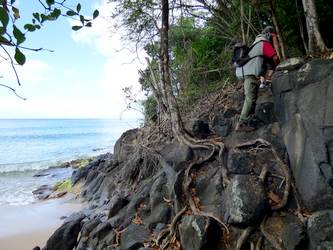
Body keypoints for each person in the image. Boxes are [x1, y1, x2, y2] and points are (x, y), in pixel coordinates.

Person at [235, 26, 280, 132]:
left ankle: (248, 121)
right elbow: (274, 57)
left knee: (253, 97)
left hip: (246, 73)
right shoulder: (264, 43)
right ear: (269, 34)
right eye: (273, 36)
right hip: (249, 74)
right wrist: (280, 65)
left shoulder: (256, 43)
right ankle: (241, 124)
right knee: (250, 98)